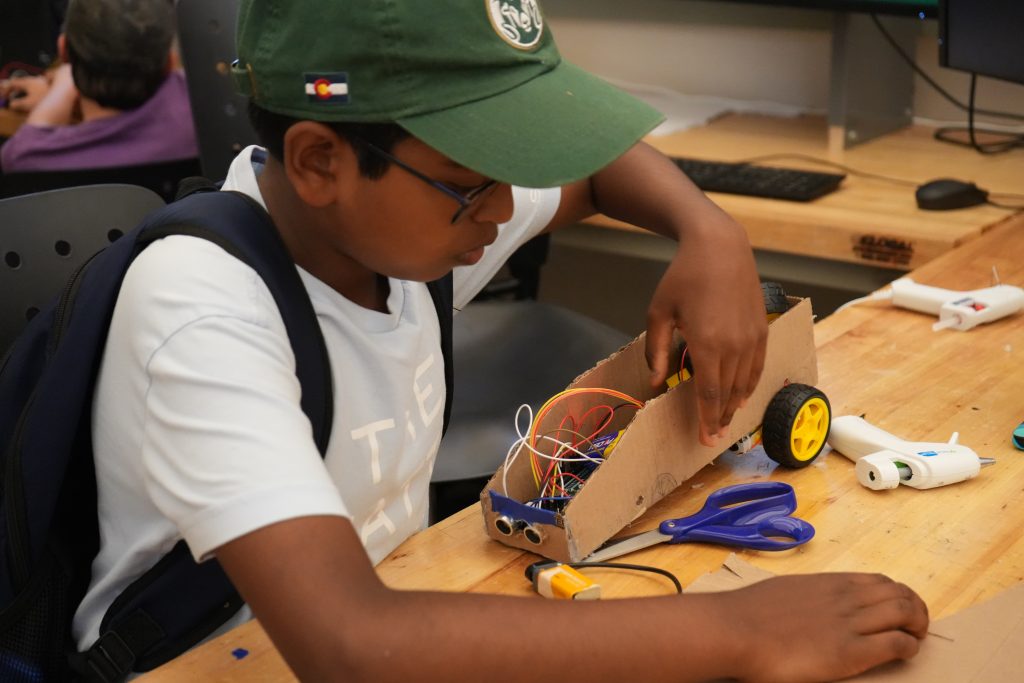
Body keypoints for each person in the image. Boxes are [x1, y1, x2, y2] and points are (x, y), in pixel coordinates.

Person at [78, 1, 929, 681]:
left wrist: (711, 232)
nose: (502, 205)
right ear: (318, 161)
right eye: (471, 179)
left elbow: (593, 173)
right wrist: (739, 630)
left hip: (394, 613)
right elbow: (348, 642)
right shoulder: (204, 311)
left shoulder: (393, 229)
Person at [0, 0, 196, 172]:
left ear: (64, 52)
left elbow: (21, 146)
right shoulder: (200, 125)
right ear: (170, 64)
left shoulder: (26, 159)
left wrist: (58, 94)